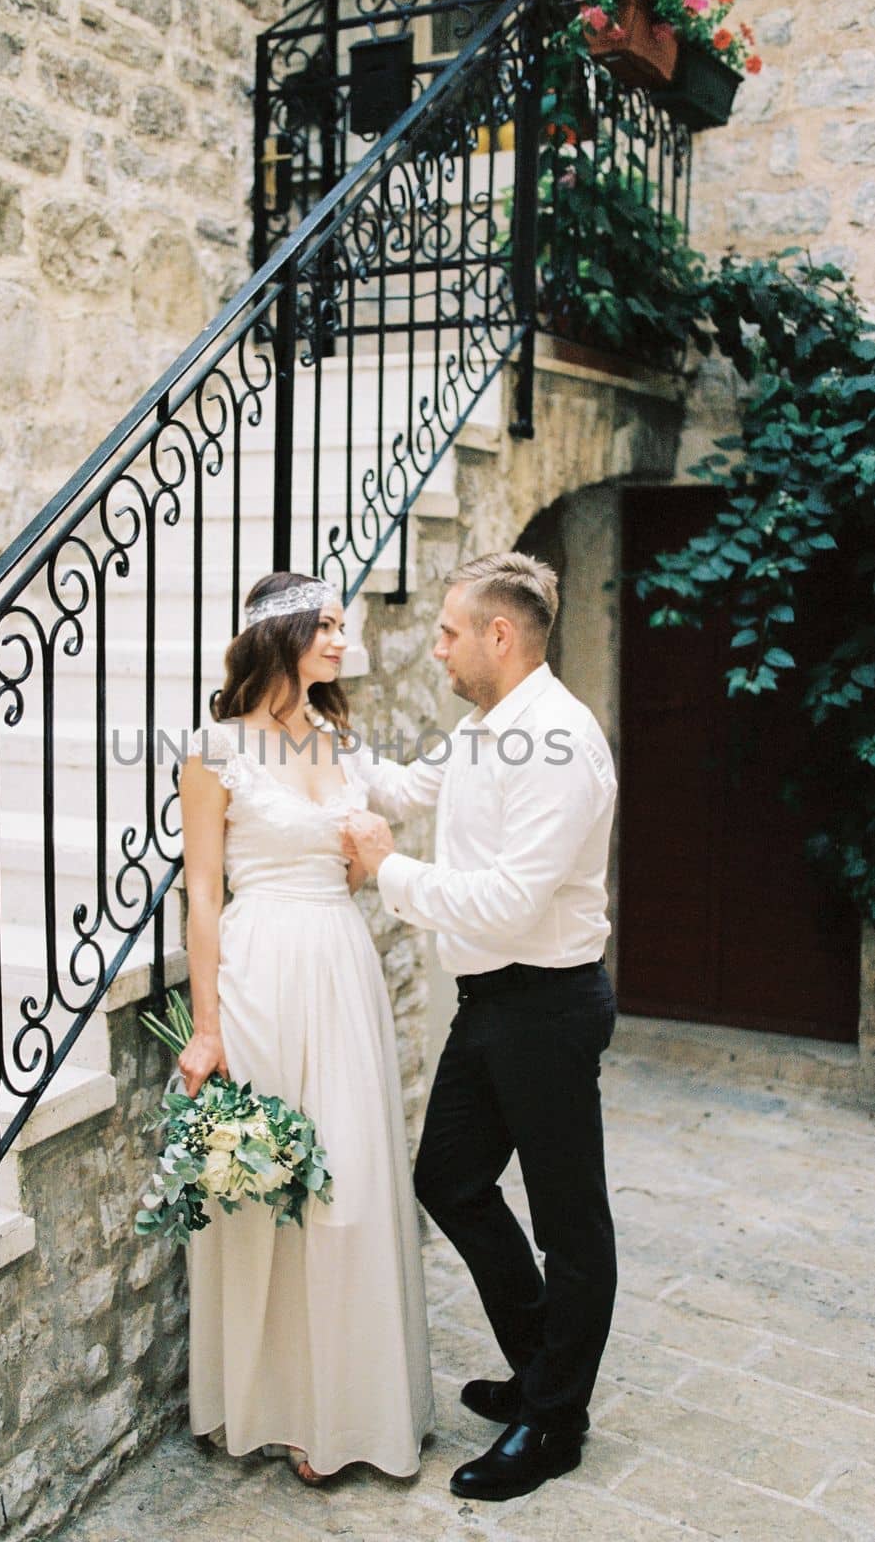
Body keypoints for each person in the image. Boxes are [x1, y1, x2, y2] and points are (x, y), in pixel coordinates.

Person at [344, 550, 618, 1503]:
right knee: (449, 1178)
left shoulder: (561, 741)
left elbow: (504, 904)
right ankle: (543, 1368)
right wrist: (305, 735)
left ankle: (553, 1422)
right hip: (493, 1001)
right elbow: (407, 791)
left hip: (545, 1002)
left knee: (568, 1221)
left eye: (449, 631)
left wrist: (385, 873)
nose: (436, 649)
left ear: (500, 635)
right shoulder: (483, 727)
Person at [175, 570, 434, 1486]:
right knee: (272, 1193)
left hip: (341, 966)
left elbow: (364, 847)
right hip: (260, 974)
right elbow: (202, 896)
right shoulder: (213, 751)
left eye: (342, 627)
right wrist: (206, 1029)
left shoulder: (339, 737)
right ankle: (277, 1404)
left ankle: (349, 1405)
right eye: (326, 626)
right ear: (279, 634)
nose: (339, 642)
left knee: (350, 1185)